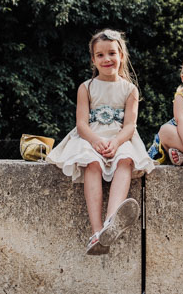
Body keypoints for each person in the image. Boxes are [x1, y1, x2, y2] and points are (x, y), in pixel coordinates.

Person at [47, 29, 155, 255]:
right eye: (100, 55)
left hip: (119, 137)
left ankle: (111, 222)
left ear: (121, 56)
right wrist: (95, 141)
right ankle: (96, 232)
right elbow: (81, 124)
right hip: (91, 137)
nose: (107, 59)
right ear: (93, 60)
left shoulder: (130, 89)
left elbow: (130, 126)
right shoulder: (86, 87)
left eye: (112, 53)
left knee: (126, 160)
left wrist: (116, 142)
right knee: (92, 163)